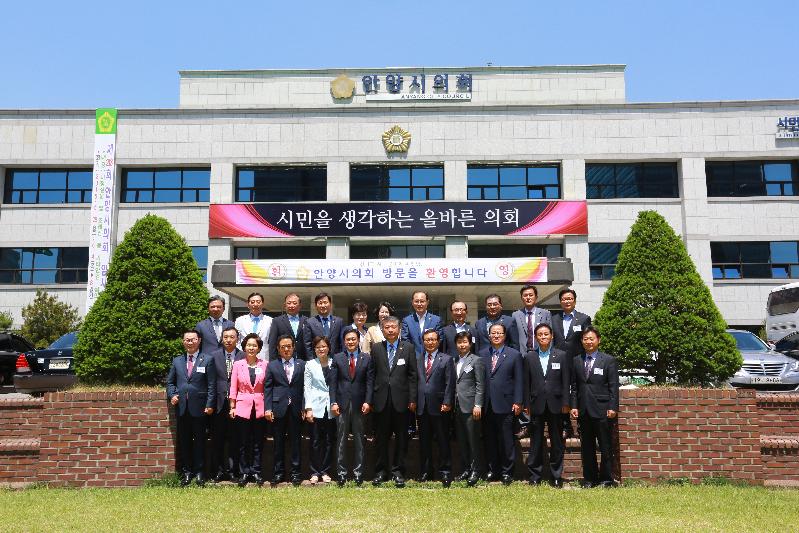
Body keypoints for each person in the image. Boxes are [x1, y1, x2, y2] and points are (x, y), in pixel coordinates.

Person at [370, 315, 417, 488]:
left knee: (402, 439)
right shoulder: (376, 348)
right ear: (382, 330)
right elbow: (372, 375)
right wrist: (370, 399)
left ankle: (398, 472)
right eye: (387, 327)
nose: (390, 330)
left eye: (393, 327)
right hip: (381, 400)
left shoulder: (408, 348)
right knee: (381, 439)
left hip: (402, 401)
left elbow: (412, 375)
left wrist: (412, 399)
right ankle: (381, 472)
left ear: (399, 329)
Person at [570, 327, 619, 488]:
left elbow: (613, 386)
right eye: (585, 339)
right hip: (584, 410)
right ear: (581, 341)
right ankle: (590, 479)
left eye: (591, 338)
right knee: (587, 447)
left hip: (603, 410)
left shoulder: (608, 360)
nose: (588, 342)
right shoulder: (576, 360)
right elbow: (574, 386)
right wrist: (574, 406)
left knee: (605, 446)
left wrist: (613, 406)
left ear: (598, 340)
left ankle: (606, 479)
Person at [166, 329, 216, 487]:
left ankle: (200, 473)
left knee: (200, 441)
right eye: (187, 340)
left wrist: (210, 404)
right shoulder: (177, 361)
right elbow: (170, 382)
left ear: (199, 341)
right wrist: (172, 395)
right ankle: (187, 472)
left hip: (200, 408)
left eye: (193, 339)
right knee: (185, 442)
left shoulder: (207, 359)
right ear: (183, 342)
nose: (190, 342)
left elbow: (211, 385)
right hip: (182, 408)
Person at [524, 323, 570, 488]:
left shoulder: (561, 355)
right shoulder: (530, 356)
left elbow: (566, 381)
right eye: (540, 334)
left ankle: (556, 475)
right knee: (535, 442)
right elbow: (526, 383)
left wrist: (566, 402)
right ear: (536, 338)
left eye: (546, 334)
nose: (543, 337)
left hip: (556, 404)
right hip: (536, 404)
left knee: (556, 441)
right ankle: (535, 475)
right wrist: (526, 403)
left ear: (551, 336)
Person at [479, 323, 523, 485]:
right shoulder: (482, 354)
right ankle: (493, 470)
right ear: (489, 335)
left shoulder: (514, 355)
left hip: (506, 404)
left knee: (506, 441)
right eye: (493, 333)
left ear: (504, 336)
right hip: (487, 404)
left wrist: (518, 401)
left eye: (499, 333)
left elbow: (519, 380)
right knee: (489, 440)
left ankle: (507, 472)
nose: (496, 335)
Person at [329, 329, 374, 486]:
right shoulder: (337, 358)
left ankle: (358, 473)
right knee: (341, 440)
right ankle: (341, 474)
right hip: (341, 405)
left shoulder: (366, 358)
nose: (350, 342)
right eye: (348, 339)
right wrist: (333, 402)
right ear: (344, 341)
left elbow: (369, 382)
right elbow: (333, 383)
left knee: (359, 440)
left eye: (353, 339)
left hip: (360, 405)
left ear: (358, 340)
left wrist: (368, 401)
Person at [416, 329, 455, 487]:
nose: (430, 342)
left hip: (440, 407)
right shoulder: (418, 359)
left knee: (443, 440)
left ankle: (445, 472)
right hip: (422, 406)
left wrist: (447, 401)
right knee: (424, 442)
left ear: (438, 342)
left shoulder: (446, 359)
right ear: (423, 342)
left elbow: (450, 383)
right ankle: (426, 471)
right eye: (427, 340)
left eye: (433, 339)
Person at [265, 334, 306, 486]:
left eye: (289, 346)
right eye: (283, 347)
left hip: (296, 408)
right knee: (278, 443)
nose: (286, 349)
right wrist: (268, 408)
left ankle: (296, 474)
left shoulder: (302, 364)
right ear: (278, 349)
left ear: (294, 347)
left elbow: (306, 388)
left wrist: (304, 406)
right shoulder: (272, 365)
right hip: (278, 408)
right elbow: (268, 388)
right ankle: (278, 473)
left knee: (296, 442)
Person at [552, 288, 592, 438]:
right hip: (559, 362)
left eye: (569, 298)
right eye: (564, 299)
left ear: (574, 301)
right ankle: (565, 426)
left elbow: (586, 339)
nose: (567, 301)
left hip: (577, 361)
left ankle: (581, 426)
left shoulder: (584, 319)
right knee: (561, 392)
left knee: (579, 391)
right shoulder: (553, 319)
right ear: (560, 302)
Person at [228, 333, 268, 487]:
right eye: (249, 345)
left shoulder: (265, 364)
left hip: (260, 407)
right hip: (242, 407)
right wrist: (232, 406)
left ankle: (256, 471)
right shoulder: (238, 364)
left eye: (254, 345)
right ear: (244, 347)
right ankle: (244, 471)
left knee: (258, 442)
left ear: (259, 348)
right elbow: (233, 387)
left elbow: (268, 387)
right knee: (243, 442)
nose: (251, 348)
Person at [210, 326, 244, 482]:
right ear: (221, 339)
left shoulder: (243, 356)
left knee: (235, 439)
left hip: (237, 404)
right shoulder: (213, 356)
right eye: (225, 337)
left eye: (232, 337)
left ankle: (233, 471)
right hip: (218, 403)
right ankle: (218, 471)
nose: (228, 340)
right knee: (217, 439)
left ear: (237, 339)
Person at [452, 330, 484, 487]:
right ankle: (466, 469)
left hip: (471, 407)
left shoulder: (476, 360)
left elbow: (480, 384)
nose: (462, 345)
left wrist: (478, 404)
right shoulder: (454, 360)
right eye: (459, 342)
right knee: (462, 440)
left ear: (470, 343)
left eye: (465, 342)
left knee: (473, 441)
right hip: (457, 407)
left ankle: (475, 470)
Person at [304, 336, 336, 484]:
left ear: (328, 348)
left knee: (329, 440)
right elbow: (307, 387)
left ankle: (325, 471)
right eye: (318, 347)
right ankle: (315, 472)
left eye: (323, 346)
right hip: (315, 407)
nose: (321, 349)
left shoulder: (334, 362)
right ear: (314, 350)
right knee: (315, 441)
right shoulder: (310, 365)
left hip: (331, 407)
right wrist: (308, 408)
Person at [302, 292, 345, 357]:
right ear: (316, 306)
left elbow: (342, 343)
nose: (323, 305)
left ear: (330, 305)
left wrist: (341, 359)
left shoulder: (339, 321)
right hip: (317, 359)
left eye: (325, 302)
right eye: (320, 303)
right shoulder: (309, 322)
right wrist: (312, 360)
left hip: (335, 359)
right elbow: (307, 344)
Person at [268, 293, 308, 361]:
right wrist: (273, 362)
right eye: (289, 303)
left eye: (294, 303)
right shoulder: (277, 321)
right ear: (285, 305)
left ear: (300, 306)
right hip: (283, 360)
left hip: (303, 360)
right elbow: (272, 344)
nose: (291, 306)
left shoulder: (307, 320)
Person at [512, 284, 552, 353]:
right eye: (525, 295)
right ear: (521, 298)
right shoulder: (515, 315)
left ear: (536, 297)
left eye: (531, 295)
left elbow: (550, 336)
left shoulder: (545, 313)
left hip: (541, 353)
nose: (528, 297)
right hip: (521, 354)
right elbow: (513, 337)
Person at [234, 292, 272, 360]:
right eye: (252, 302)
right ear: (248, 305)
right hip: (244, 358)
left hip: (263, 358)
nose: (255, 304)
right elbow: (237, 341)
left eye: (258, 302)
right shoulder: (239, 320)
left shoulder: (270, 321)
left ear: (262, 304)